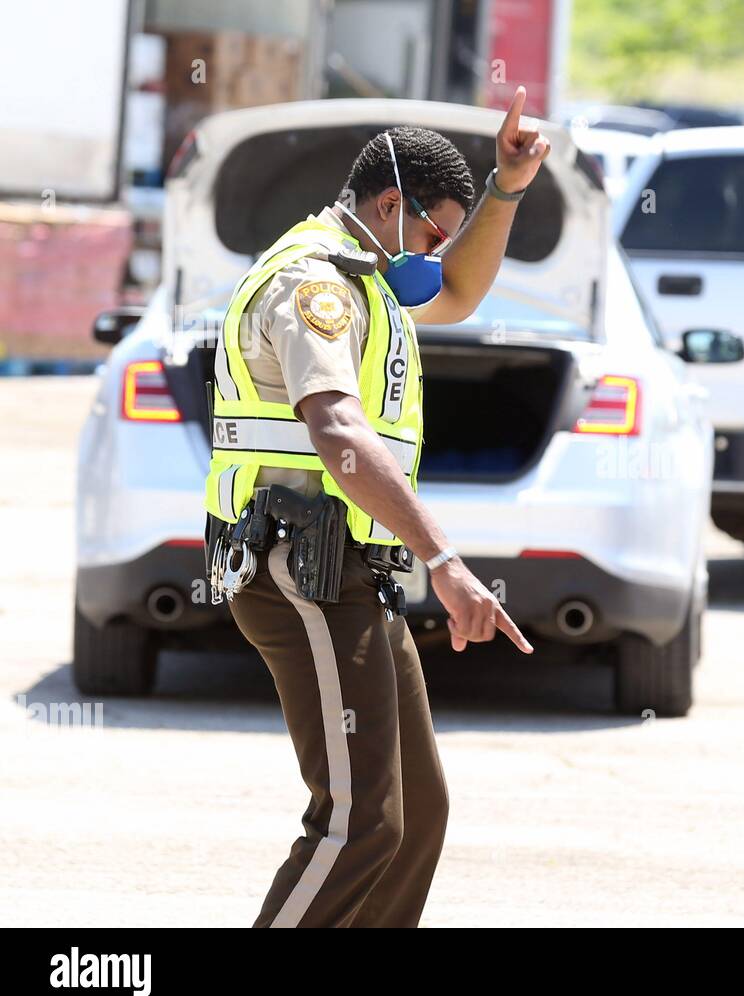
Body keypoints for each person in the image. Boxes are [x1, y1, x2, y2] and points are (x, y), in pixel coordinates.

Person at [202, 86, 547, 927]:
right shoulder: (312, 284)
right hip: (300, 566)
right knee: (358, 824)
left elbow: (460, 291)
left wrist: (507, 186)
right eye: (432, 231)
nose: (438, 252)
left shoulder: (369, 279)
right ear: (388, 205)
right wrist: (447, 559)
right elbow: (339, 431)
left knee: (415, 816)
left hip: (354, 568)